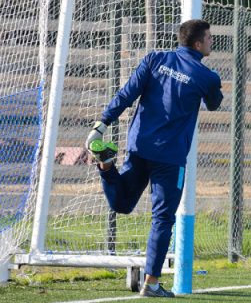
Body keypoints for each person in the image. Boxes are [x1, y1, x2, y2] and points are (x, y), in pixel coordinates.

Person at [85, 19, 223, 298]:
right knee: (162, 218)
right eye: (209, 38)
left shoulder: (154, 59)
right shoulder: (206, 76)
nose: (211, 42)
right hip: (170, 159)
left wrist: (102, 124)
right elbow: (214, 104)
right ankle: (151, 283)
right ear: (197, 44)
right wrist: (214, 84)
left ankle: (106, 164)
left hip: (139, 147)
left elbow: (127, 94)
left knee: (122, 204)